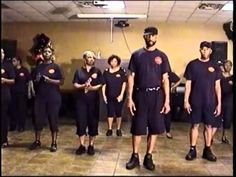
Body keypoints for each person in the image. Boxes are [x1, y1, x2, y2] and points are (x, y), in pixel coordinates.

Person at [126, 26, 171, 171]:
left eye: (153, 35)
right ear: (144, 37)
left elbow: (165, 79)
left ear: (157, 37)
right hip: (140, 95)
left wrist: (167, 100)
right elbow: (130, 78)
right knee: (138, 128)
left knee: (154, 128)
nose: (150, 38)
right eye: (147, 35)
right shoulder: (136, 55)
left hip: (157, 95)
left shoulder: (162, 56)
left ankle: (149, 156)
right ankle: (135, 156)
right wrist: (129, 98)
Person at [184, 41, 221, 162]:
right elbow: (188, 84)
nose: (205, 51)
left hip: (210, 102)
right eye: (203, 49)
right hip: (195, 101)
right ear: (200, 50)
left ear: (210, 51)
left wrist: (219, 103)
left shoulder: (215, 65)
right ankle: (192, 149)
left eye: (207, 49)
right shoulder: (192, 65)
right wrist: (186, 101)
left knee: (209, 125)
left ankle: (207, 150)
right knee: (195, 125)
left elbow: (217, 86)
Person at [29, 45, 64, 152]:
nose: (46, 53)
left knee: (53, 120)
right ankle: (37, 141)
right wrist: (37, 80)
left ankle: (54, 143)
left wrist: (50, 80)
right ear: (42, 54)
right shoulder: (37, 68)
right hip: (40, 98)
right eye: (45, 52)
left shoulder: (56, 67)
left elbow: (61, 82)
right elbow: (33, 81)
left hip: (53, 98)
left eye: (49, 52)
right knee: (38, 120)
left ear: (51, 54)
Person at [73, 50, 103, 156]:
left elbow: (101, 84)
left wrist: (92, 88)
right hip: (81, 101)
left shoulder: (97, 71)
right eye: (90, 57)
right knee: (81, 123)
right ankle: (81, 145)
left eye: (93, 58)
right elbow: (75, 84)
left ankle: (91, 145)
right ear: (85, 59)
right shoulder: (79, 71)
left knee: (93, 123)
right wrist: (83, 86)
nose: (92, 59)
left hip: (93, 101)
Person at [102, 54, 127, 137]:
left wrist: (121, 95)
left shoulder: (122, 71)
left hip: (119, 96)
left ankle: (118, 129)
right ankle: (109, 129)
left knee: (118, 112)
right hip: (109, 95)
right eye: (112, 61)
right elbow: (104, 84)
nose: (114, 62)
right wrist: (104, 95)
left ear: (118, 62)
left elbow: (124, 83)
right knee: (110, 112)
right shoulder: (106, 72)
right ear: (109, 62)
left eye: (115, 61)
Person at [9, 56, 32, 132]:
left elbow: (29, 81)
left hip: (22, 94)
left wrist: (29, 92)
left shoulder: (24, 70)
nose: (13, 62)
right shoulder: (12, 70)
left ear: (18, 61)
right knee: (13, 110)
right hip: (13, 93)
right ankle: (13, 126)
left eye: (14, 61)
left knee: (22, 110)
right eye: (12, 61)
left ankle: (21, 126)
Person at [1, 48, 15, 147]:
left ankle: (3, 140)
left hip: (4, 95)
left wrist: (4, 80)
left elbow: (13, 80)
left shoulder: (8, 65)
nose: (1, 54)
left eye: (2, 52)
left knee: (3, 118)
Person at [164, 71, 181, 139]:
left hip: (167, 95)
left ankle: (167, 131)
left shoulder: (169, 73)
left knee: (167, 114)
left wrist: (172, 87)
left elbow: (179, 80)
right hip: (158, 94)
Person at [220, 60, 233, 144]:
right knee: (215, 117)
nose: (227, 67)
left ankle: (224, 136)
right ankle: (211, 136)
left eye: (229, 65)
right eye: (226, 65)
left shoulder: (232, 77)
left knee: (227, 118)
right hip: (219, 99)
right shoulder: (219, 76)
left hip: (228, 100)